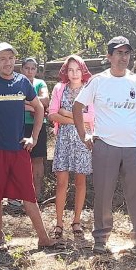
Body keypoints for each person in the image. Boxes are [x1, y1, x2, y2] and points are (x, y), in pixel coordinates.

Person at [0, 42, 63, 251]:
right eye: (2, 59)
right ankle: (0, 237)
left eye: (10, 58)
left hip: (19, 150)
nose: (7, 63)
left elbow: (38, 108)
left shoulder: (22, 82)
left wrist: (33, 137)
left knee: (29, 194)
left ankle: (43, 238)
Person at [73, 36, 136, 256]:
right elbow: (77, 106)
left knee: (135, 194)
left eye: (126, 53)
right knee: (103, 194)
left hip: (132, 148)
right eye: (118, 53)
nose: (123, 57)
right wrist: (84, 135)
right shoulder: (98, 81)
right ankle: (100, 238)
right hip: (105, 146)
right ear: (109, 56)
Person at [47, 55, 94, 241]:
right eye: (70, 70)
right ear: (65, 72)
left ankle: (76, 221)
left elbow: (91, 117)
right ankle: (59, 223)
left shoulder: (89, 90)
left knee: (80, 182)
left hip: (83, 140)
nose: (74, 74)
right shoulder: (60, 88)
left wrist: (65, 113)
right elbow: (52, 114)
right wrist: (75, 118)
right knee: (61, 182)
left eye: (77, 69)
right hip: (64, 141)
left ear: (83, 71)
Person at [21, 57, 50, 201]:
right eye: (27, 68)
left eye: (33, 68)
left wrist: (26, 103)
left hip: (38, 125)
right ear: (22, 69)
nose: (29, 71)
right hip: (20, 124)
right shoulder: (17, 83)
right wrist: (36, 106)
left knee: (37, 159)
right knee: (20, 159)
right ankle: (21, 193)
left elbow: (45, 100)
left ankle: (37, 193)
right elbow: (14, 103)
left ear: (36, 70)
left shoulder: (40, 83)